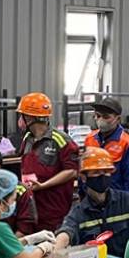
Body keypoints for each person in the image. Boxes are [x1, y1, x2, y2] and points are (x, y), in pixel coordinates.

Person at [54, 147, 129, 258]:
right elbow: (67, 231)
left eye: (106, 172)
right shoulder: (79, 213)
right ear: (84, 177)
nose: (102, 176)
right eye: (96, 172)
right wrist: (57, 248)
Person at [17, 91, 79, 231]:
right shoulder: (27, 138)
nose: (20, 119)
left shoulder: (61, 140)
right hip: (32, 207)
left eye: (22, 115)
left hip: (53, 209)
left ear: (30, 117)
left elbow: (72, 171)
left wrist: (43, 185)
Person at [85, 96, 129, 196]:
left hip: (117, 200)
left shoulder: (128, 144)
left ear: (118, 119)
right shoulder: (90, 139)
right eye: (98, 116)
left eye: (106, 117)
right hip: (92, 198)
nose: (101, 120)